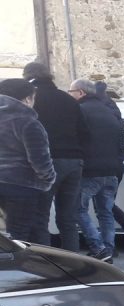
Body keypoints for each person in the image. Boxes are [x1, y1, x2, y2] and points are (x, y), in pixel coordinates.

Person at [23, 61, 89, 248]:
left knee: (40, 217)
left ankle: (45, 263)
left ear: (28, 77)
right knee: (68, 218)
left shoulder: (32, 99)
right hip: (74, 161)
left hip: (47, 161)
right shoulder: (68, 99)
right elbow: (85, 132)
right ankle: (72, 261)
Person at [70, 79, 124, 262]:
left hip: (90, 170)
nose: (70, 95)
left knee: (77, 209)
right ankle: (108, 249)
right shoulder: (109, 111)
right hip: (112, 170)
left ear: (81, 93)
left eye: (71, 91)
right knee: (105, 212)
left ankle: (98, 247)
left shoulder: (80, 111)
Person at [0, 78, 56, 241]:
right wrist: (49, 179)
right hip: (22, 186)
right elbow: (40, 160)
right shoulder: (28, 122)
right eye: (33, 98)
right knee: (19, 237)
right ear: (26, 99)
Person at [93, 81, 124, 252]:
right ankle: (123, 237)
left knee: (102, 206)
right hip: (116, 164)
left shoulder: (98, 115)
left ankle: (113, 242)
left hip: (100, 164)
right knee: (106, 204)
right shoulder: (116, 116)